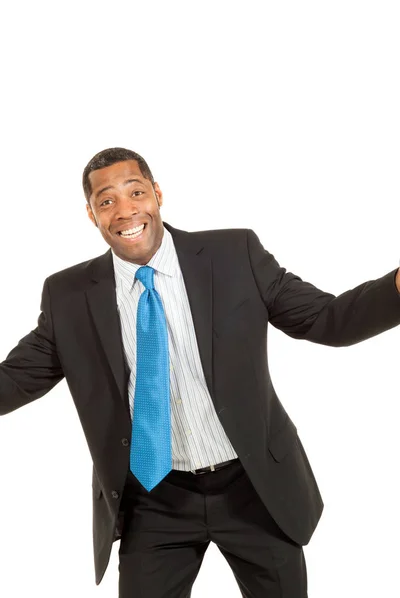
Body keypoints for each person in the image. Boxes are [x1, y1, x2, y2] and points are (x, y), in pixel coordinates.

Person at [1, 147, 399, 598]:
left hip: (253, 488)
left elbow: (330, 319)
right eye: (106, 200)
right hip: (154, 498)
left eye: (136, 192)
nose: (125, 210)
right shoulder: (69, 295)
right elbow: (16, 379)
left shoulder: (234, 254)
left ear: (158, 195)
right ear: (91, 215)